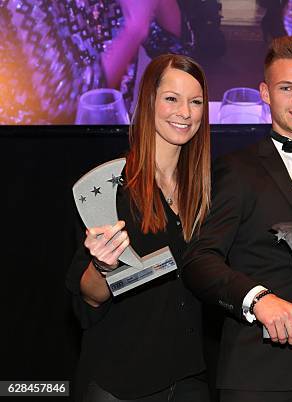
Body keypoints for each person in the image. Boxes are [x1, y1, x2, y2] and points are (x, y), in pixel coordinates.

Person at [183, 36, 292, 402]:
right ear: (265, 93)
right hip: (260, 375)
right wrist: (258, 299)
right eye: (286, 88)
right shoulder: (236, 170)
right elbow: (199, 261)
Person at [65, 54, 213, 402]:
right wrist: (103, 266)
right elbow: (88, 297)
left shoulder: (205, 191)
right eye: (172, 99)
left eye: (195, 101)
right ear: (149, 101)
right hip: (122, 381)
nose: (185, 112)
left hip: (190, 377)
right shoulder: (108, 187)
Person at [0, 0, 191, 124]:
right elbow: (67, 107)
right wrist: (133, 30)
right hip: (31, 148)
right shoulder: (25, 4)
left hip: (109, 136)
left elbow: (172, 51)